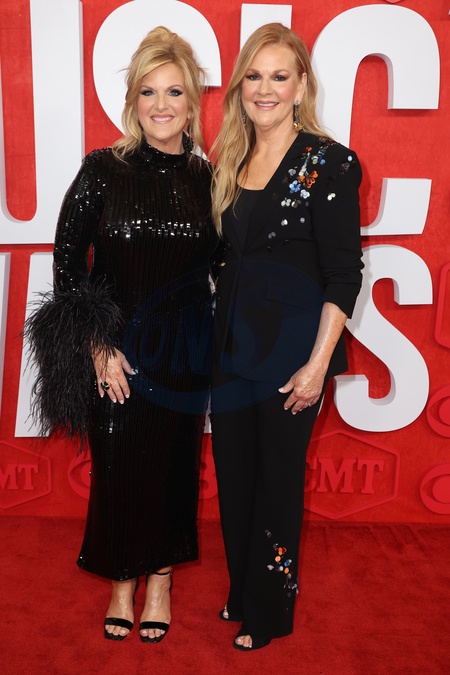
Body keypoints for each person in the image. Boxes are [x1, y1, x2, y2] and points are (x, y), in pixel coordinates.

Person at [25, 26, 219, 643]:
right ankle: (121, 582)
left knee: (173, 468)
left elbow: (225, 267)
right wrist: (97, 346)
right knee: (117, 468)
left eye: (174, 92)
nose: (161, 105)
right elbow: (66, 260)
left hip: (183, 354)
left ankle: (159, 580)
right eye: (148, 92)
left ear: (192, 102)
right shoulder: (102, 170)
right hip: (116, 352)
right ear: (133, 100)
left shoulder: (209, 179)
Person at [209, 23, 364, 651]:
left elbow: (343, 273)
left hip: (293, 359)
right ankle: (242, 591)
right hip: (230, 353)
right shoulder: (230, 159)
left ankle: (269, 612)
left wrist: (318, 364)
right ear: (239, 87)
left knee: (276, 480)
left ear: (301, 86)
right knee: (234, 478)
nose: (264, 88)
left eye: (279, 76)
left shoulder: (330, 162)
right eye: (253, 76)